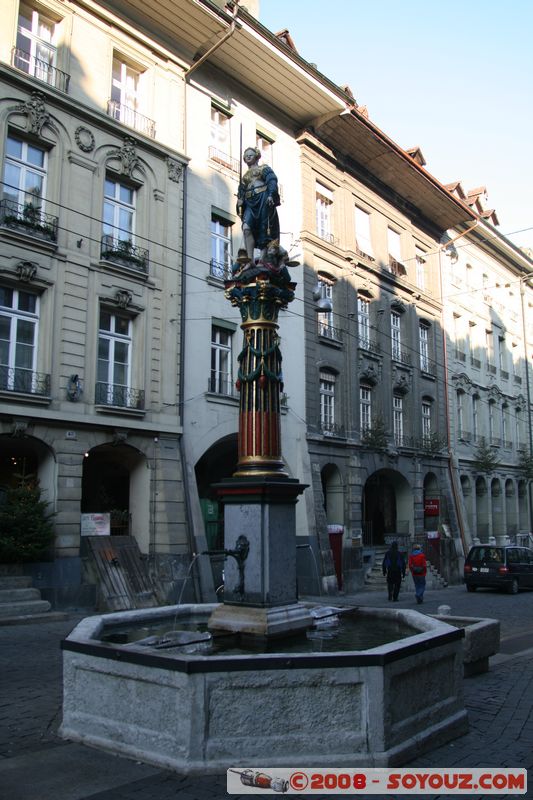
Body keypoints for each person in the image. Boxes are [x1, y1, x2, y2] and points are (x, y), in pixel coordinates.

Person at [236, 147, 280, 262]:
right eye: (246, 156)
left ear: (256, 156)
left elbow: (271, 180)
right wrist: (240, 201)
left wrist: (271, 194)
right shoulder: (244, 177)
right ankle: (249, 260)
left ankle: (262, 259)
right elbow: (241, 192)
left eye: (250, 154)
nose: (248, 157)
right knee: (246, 228)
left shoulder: (264, 168)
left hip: (262, 199)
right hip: (250, 203)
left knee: (264, 228)